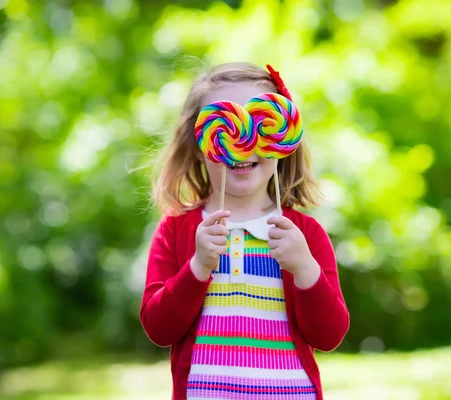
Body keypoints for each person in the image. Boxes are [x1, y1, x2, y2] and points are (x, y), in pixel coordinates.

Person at [140, 62, 350, 400]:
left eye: (259, 126)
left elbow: (329, 336)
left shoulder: (304, 234)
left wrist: (305, 269)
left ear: (282, 137)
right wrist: (197, 268)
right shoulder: (177, 230)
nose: (244, 141)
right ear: (199, 145)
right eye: (228, 126)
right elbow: (158, 328)